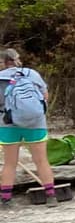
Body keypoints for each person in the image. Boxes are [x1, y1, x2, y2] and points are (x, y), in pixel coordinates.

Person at [0, 48, 57, 207]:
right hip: (35, 122)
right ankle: (51, 196)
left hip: (7, 123)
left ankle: (6, 199)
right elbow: (45, 96)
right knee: (41, 160)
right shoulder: (31, 74)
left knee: (10, 163)